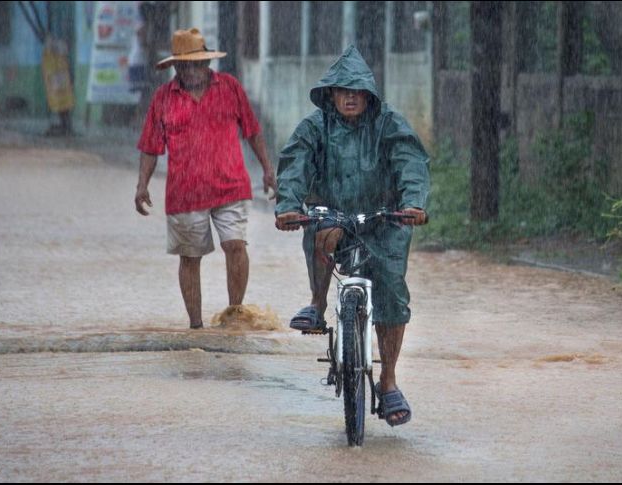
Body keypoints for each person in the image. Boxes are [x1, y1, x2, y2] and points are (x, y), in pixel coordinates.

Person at [274, 46, 430, 427]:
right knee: (321, 230)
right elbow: (294, 164)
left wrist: (413, 202)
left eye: (357, 91)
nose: (349, 97)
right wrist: (288, 205)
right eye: (342, 89)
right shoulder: (315, 127)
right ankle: (316, 302)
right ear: (330, 93)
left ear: (369, 95)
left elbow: (411, 162)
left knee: (392, 289)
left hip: (385, 220)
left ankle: (389, 380)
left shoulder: (390, 124)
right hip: (335, 215)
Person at [135, 28, 276, 329]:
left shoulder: (230, 87)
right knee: (189, 257)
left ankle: (234, 316)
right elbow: (150, 147)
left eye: (199, 63)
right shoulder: (163, 98)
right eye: (187, 65)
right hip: (185, 193)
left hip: (231, 185)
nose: (194, 70)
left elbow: (252, 130)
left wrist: (267, 169)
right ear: (177, 67)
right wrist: (142, 185)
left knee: (235, 245)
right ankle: (196, 327)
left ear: (207, 64)